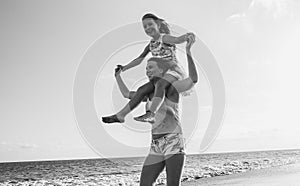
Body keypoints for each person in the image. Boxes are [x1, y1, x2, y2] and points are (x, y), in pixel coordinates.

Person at [113, 37, 197, 186]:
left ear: (162, 70)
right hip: (155, 144)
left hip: (173, 140)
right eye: (146, 69)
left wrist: (189, 51)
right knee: (144, 184)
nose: (147, 71)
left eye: (150, 68)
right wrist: (118, 76)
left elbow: (193, 80)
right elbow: (126, 94)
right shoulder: (146, 94)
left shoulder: (172, 88)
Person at [102, 13, 195, 124]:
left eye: (150, 24)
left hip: (171, 71)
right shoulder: (151, 45)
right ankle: (121, 115)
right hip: (159, 74)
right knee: (142, 90)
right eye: (145, 27)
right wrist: (124, 68)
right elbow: (139, 59)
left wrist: (186, 37)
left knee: (161, 84)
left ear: (158, 25)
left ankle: (151, 113)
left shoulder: (164, 38)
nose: (147, 28)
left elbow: (177, 40)